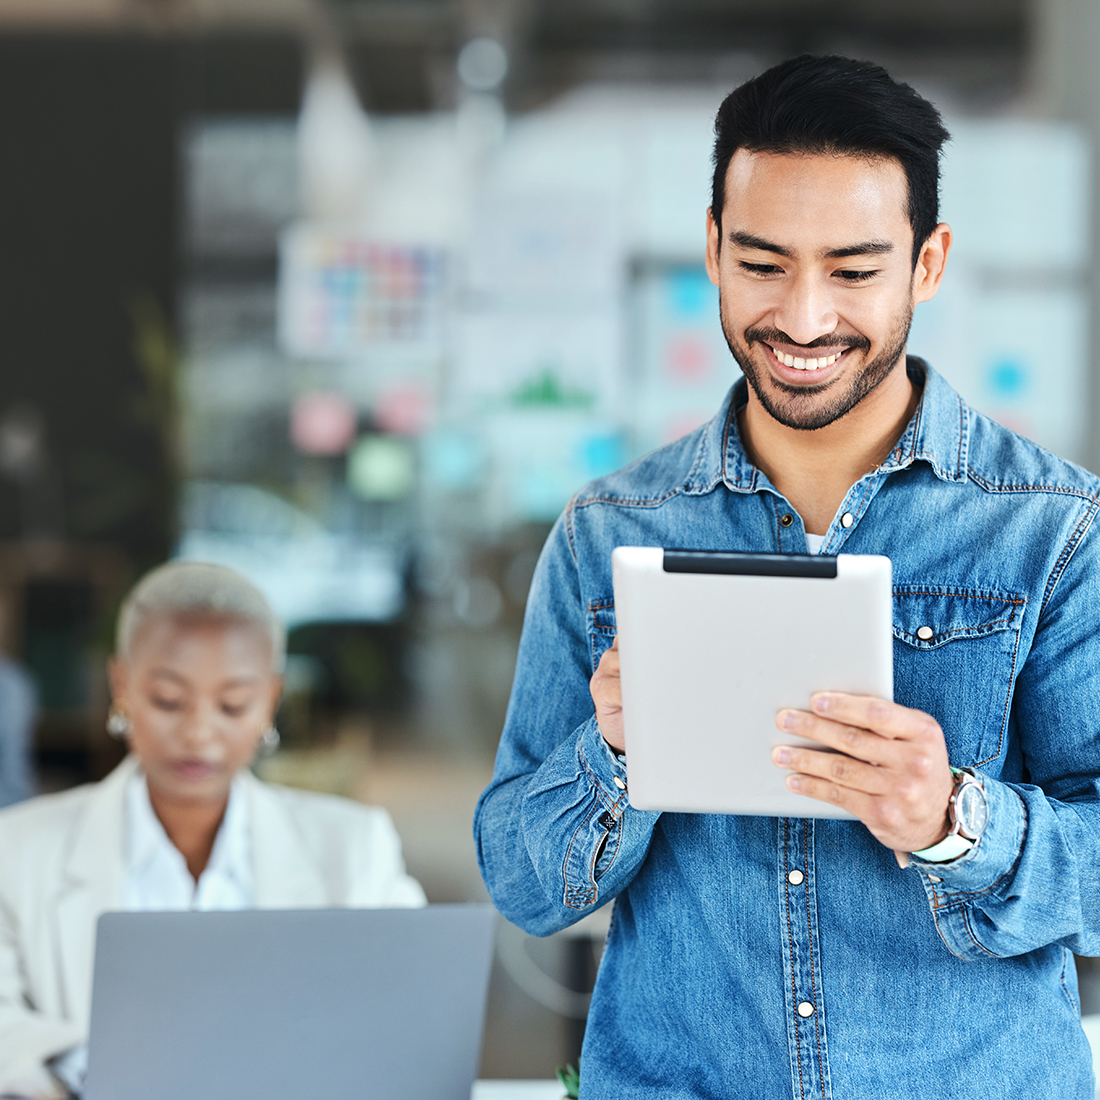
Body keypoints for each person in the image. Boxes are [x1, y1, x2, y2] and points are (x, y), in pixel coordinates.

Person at [474, 54, 1100, 1098]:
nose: (802, 318)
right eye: (762, 262)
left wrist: (956, 819)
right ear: (712, 250)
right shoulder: (608, 531)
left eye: (852, 270)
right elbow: (523, 886)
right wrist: (614, 751)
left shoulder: (1053, 532)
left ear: (927, 262)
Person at [0, 561, 424, 1099]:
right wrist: (110, 1066)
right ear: (122, 686)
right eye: (168, 700)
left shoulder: (355, 847)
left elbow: (405, 1020)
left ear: (270, 700)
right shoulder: (15, 850)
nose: (199, 733)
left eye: (232, 704)